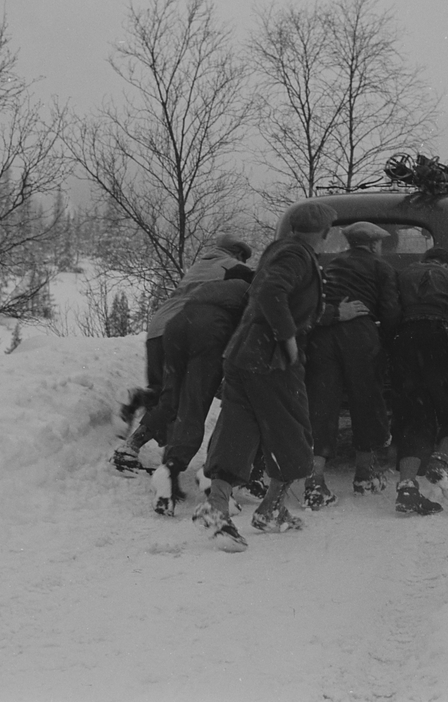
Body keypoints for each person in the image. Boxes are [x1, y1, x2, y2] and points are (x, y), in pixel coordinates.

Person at [193, 200, 337, 551]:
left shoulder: (281, 250)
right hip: (270, 359)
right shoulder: (298, 255)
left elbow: (272, 293)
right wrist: (287, 338)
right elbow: (272, 292)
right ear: (325, 234)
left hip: (243, 354)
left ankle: (216, 507)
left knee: (237, 431)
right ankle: (271, 509)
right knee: (293, 432)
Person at [111, 234, 254, 474]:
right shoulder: (234, 267)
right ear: (237, 254)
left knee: (165, 392)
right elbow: (263, 285)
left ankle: (139, 399)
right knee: (178, 399)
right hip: (192, 327)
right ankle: (131, 449)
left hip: (159, 329)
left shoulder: (199, 266)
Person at [302, 221, 401, 509]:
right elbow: (391, 311)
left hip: (324, 335)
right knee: (366, 400)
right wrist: (386, 338)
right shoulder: (382, 268)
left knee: (323, 404)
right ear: (373, 244)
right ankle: (364, 474)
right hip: (360, 334)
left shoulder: (331, 266)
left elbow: (314, 302)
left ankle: (315, 479)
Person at [148, 278, 251, 515]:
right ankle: (208, 474)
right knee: (199, 403)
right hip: (210, 330)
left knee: (177, 401)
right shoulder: (250, 288)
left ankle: (169, 468)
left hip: (175, 328)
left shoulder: (215, 286)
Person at [389, 246, 448, 515]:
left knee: (414, 416)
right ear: (447, 264)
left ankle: (407, 488)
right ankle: (440, 461)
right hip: (441, 340)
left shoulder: (403, 276)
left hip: (405, 343)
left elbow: (391, 310)